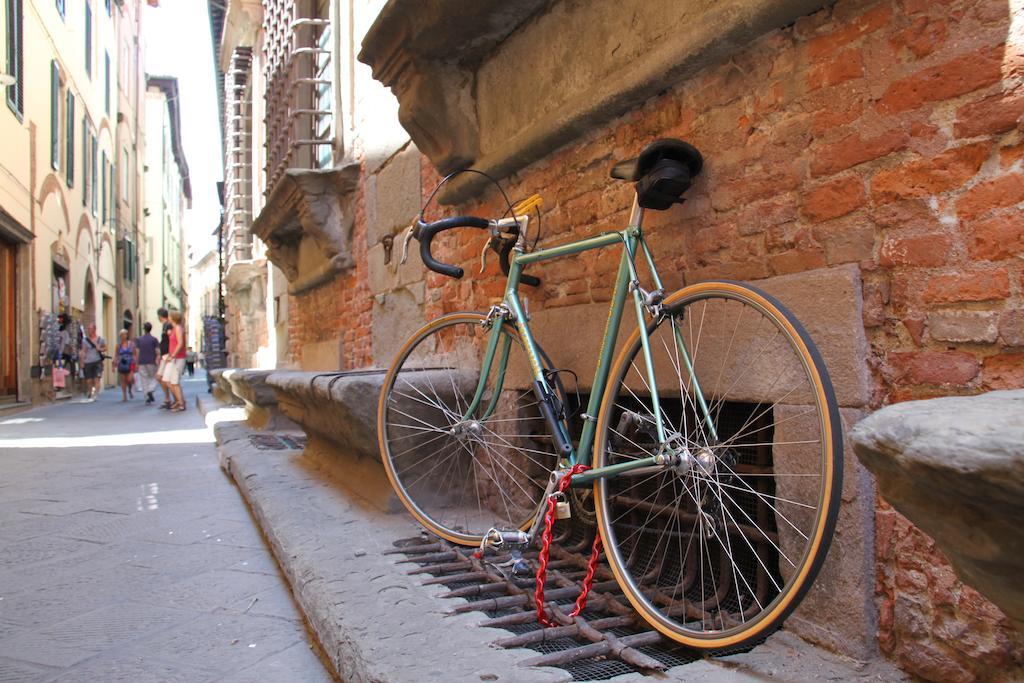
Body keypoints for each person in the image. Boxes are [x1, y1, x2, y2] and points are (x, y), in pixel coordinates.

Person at [163, 310, 188, 412]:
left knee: (174, 381)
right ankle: (179, 400)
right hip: (172, 357)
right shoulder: (174, 328)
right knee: (167, 380)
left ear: (172, 318)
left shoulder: (178, 328)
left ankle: (181, 403)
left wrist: (172, 355)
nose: (168, 318)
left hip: (178, 358)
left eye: (169, 316)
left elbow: (180, 343)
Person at [134, 322, 160, 404]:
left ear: (144, 329)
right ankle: (150, 389)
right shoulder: (154, 339)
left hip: (142, 361)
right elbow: (157, 351)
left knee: (144, 379)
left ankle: (146, 397)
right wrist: (157, 358)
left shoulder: (139, 340)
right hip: (152, 361)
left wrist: (137, 363)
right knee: (154, 377)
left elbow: (137, 351)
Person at [79, 322, 106, 401]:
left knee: (97, 378)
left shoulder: (100, 339)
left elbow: (105, 348)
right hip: (88, 362)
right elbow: (83, 351)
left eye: (90, 329)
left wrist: (100, 349)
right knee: (89, 380)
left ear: (94, 329)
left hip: (97, 361)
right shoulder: (85, 340)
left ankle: (95, 395)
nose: (89, 330)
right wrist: (82, 362)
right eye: (88, 329)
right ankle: (90, 391)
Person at [155, 307, 173, 409]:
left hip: (167, 355)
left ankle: (172, 399)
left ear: (160, 316)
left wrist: (170, 354)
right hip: (164, 355)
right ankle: (168, 399)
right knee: (162, 378)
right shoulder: (165, 326)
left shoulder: (168, 326)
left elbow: (171, 339)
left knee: (164, 378)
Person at [115, 330, 135, 401]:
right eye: (122, 335)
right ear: (120, 336)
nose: (124, 336)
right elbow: (116, 355)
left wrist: (135, 363)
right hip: (122, 363)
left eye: (125, 334)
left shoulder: (131, 344)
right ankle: (124, 395)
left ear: (127, 335)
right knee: (123, 380)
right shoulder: (118, 345)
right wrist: (115, 363)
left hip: (130, 363)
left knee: (129, 379)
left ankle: (129, 389)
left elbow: (134, 354)